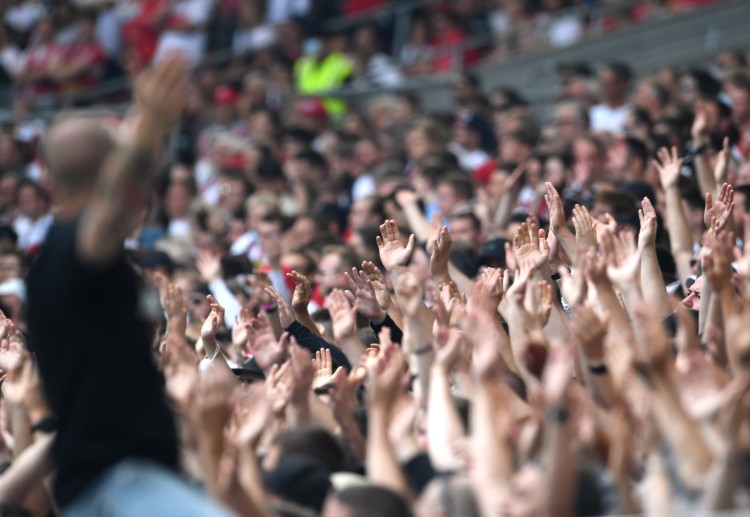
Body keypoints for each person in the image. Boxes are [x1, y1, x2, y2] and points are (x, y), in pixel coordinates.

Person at [25, 56, 235, 516]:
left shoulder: (50, 263)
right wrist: (154, 125)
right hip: (118, 486)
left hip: (119, 484)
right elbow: (110, 212)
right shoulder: (71, 249)